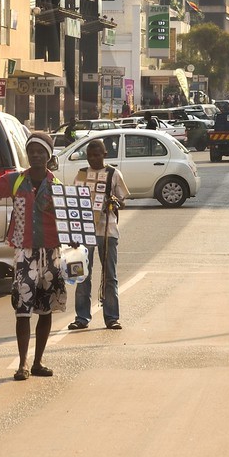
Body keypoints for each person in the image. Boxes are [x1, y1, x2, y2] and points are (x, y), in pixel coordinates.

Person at [0, 131, 65, 381]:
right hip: (24, 253)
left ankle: (38, 362)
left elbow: (69, 223)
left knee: (45, 310)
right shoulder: (14, 181)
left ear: (48, 156)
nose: (36, 156)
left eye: (41, 152)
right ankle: (23, 364)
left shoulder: (57, 187)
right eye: (32, 152)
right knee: (23, 310)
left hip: (51, 253)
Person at [70, 139, 127, 331]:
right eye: (90, 155)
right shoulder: (81, 174)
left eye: (97, 155)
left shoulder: (113, 173)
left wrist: (113, 203)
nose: (93, 158)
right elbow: (73, 202)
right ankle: (82, 317)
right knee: (83, 275)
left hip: (107, 230)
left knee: (110, 275)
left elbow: (122, 200)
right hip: (85, 232)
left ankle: (112, 317)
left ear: (104, 154)